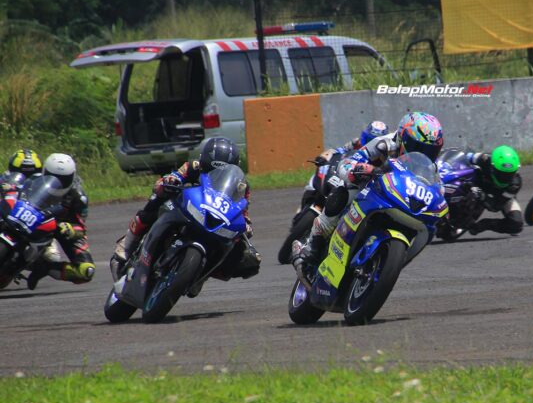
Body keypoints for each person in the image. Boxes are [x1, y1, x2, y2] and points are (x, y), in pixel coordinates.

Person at [293, 112, 444, 271]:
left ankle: (393, 260)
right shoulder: (383, 144)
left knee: (429, 228)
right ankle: (313, 242)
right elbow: (347, 163)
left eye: (431, 151)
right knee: (345, 192)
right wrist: (356, 170)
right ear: (402, 138)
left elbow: (438, 188)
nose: (424, 154)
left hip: (399, 197)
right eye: (418, 147)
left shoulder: (430, 166)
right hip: (370, 186)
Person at [113, 137, 259, 277]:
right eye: (211, 169)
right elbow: (173, 177)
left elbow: (243, 210)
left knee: (243, 252)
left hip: (215, 219)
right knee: (157, 199)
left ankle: (201, 273)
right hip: (187, 207)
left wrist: (246, 224)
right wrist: (170, 180)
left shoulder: (241, 185)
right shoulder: (193, 167)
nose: (216, 174)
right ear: (203, 161)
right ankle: (127, 244)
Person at [26, 153, 95, 290]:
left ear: (72, 177)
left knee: (86, 271)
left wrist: (71, 229)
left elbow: (81, 228)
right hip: (33, 221)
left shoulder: (79, 197)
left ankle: (46, 267)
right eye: (52, 176)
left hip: (60, 229)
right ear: (44, 172)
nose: (57, 182)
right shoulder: (31, 183)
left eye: (64, 179)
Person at [298, 121, 389, 210]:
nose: (370, 144)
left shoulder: (384, 155)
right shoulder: (356, 143)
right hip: (345, 170)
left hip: (360, 183)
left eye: (373, 141)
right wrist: (323, 157)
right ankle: (303, 206)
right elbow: (339, 150)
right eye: (369, 140)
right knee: (318, 175)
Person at [462, 145, 523, 236]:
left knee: (516, 225)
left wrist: (482, 196)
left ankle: (485, 224)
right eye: (501, 173)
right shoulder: (484, 159)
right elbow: (464, 156)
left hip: (498, 196)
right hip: (477, 183)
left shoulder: (514, 185)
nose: (505, 178)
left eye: (510, 174)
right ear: (492, 167)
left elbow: (495, 206)